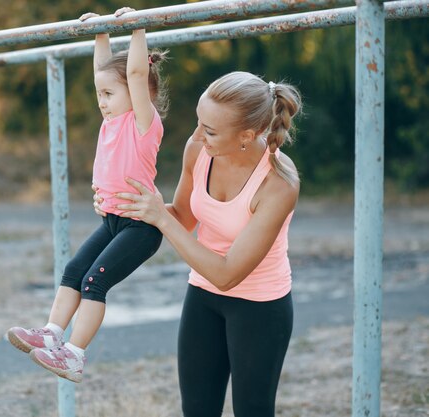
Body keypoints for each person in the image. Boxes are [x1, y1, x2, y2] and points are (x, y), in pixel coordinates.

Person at [97, 71, 302, 416]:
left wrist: (160, 217)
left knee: (253, 410)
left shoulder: (279, 183)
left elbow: (227, 274)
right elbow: (182, 216)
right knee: (197, 410)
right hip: (203, 297)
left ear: (246, 136)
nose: (196, 135)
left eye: (209, 130)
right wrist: (123, 206)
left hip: (260, 306)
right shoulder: (198, 151)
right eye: (198, 121)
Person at [5, 7, 169, 383]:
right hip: (113, 222)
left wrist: (137, 27)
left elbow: (136, 73)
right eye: (101, 94)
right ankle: (52, 332)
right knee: (74, 272)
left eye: (110, 94)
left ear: (138, 93)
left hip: (140, 227)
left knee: (94, 282)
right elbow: (103, 72)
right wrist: (99, 33)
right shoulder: (111, 121)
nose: (102, 99)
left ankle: (75, 355)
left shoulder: (142, 125)